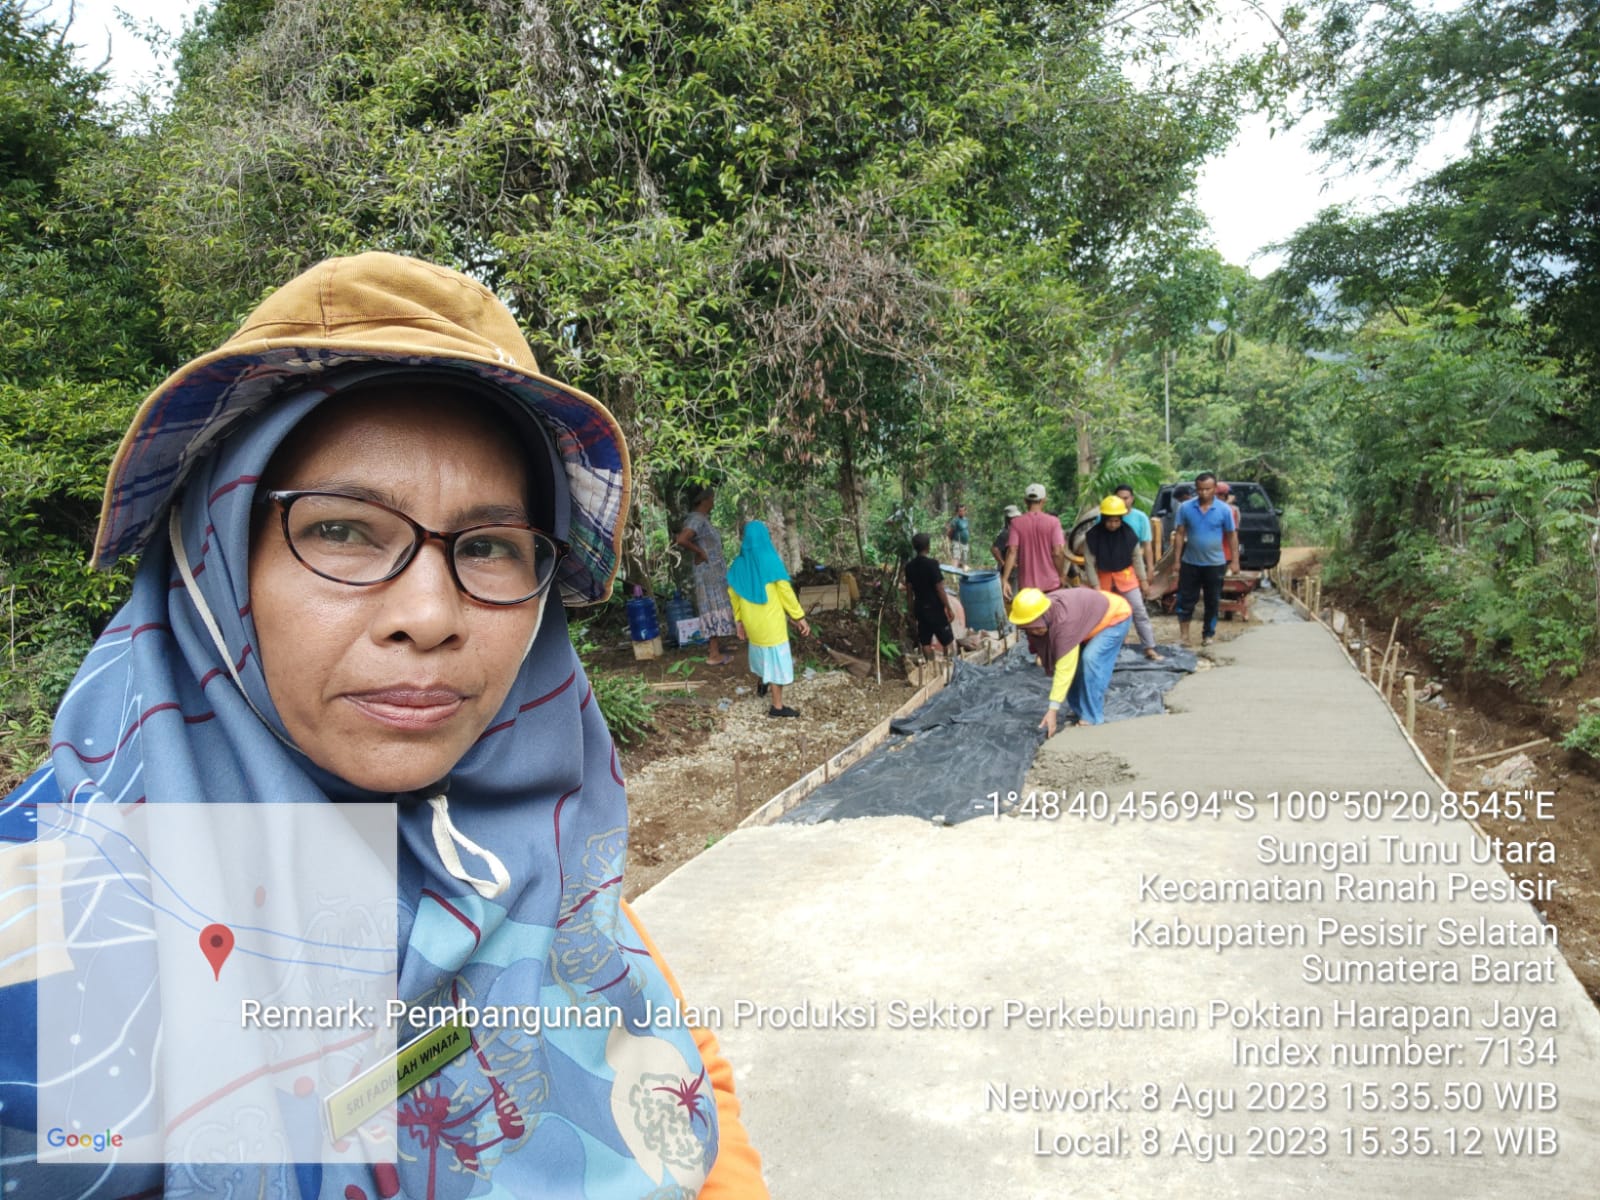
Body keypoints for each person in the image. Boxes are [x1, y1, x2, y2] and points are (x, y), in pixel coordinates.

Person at [0, 253, 766, 1198]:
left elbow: (679, 1068)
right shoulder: (59, 926)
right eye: (343, 529)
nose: (431, 615)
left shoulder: (528, 858)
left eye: (489, 546)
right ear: (215, 556)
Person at [1008, 586, 1132, 734]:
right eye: (1029, 628)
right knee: (1077, 666)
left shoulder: (1064, 623)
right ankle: (1079, 709)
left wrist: (1053, 709)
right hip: (1089, 617)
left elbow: (1065, 669)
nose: (1034, 631)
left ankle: (1092, 718)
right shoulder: (1043, 614)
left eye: (1036, 627)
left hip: (1115, 616)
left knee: (1090, 659)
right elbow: (1036, 638)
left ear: (1044, 615)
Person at [726, 520, 811, 718]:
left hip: (752, 623)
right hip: (771, 623)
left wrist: (739, 622)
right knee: (776, 660)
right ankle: (777, 707)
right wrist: (799, 616)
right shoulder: (770, 560)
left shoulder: (738, 565)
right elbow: (785, 592)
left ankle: (762, 682)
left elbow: (734, 596)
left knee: (760, 652)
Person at [1083, 496, 1161, 661]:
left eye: (1117, 521)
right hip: (1103, 580)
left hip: (1127, 578)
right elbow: (1089, 563)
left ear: (1121, 519)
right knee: (1104, 616)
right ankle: (1102, 651)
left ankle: (1149, 647)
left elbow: (1136, 558)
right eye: (1110, 521)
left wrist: (1143, 580)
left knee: (1139, 611)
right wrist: (1095, 586)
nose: (1113, 525)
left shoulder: (1129, 534)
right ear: (1103, 519)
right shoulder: (1092, 536)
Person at [1170, 470, 1238, 648]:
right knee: (1185, 599)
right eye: (1200, 489)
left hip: (1215, 564)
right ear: (1196, 489)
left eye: (1207, 489)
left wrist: (1235, 561)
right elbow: (1179, 534)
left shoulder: (1224, 510)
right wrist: (1176, 561)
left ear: (1215, 488)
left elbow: (1232, 535)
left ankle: (1208, 634)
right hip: (1190, 562)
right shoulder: (1185, 508)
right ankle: (1184, 636)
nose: (1204, 493)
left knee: (1212, 600)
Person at [674, 487, 737, 665]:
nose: (713, 502)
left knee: (717, 606)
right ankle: (714, 654)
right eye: (712, 498)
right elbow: (682, 539)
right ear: (704, 500)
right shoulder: (697, 519)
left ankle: (717, 646)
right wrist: (700, 552)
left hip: (714, 572)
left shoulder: (701, 519)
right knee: (711, 607)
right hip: (708, 573)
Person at [1001, 483, 1066, 603]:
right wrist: (1061, 575)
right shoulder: (1054, 522)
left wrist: (1005, 579)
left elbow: (1012, 551)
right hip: (1051, 585)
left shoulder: (1016, 523)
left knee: (1030, 615)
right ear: (1044, 500)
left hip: (1027, 588)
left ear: (1025, 501)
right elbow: (1058, 552)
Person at [904, 532, 955, 660]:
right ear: (928, 546)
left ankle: (930, 665)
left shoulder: (909, 567)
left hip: (920, 608)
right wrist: (948, 607)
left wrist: (911, 610)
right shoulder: (932, 564)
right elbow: (940, 588)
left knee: (925, 641)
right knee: (947, 640)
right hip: (934, 607)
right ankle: (949, 664)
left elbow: (909, 592)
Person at [1110, 483, 1155, 578]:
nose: (1122, 502)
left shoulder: (1141, 517)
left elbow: (1147, 545)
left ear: (1132, 499)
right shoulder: (1103, 517)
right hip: (1109, 565)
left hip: (1134, 565)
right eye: (1119, 498)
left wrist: (1150, 568)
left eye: (1125, 498)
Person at [991, 503, 1022, 569]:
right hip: (1010, 569)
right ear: (1008, 519)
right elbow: (994, 549)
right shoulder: (1006, 533)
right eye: (1014, 517)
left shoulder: (1016, 530)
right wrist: (1003, 563)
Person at [945, 503, 971, 569]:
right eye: (960, 511)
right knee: (956, 558)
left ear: (965, 511)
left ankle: (962, 573)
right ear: (957, 512)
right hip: (957, 542)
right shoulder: (955, 520)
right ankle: (954, 573)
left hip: (965, 544)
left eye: (963, 510)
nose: (962, 512)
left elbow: (967, 530)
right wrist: (951, 540)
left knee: (964, 561)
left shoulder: (966, 520)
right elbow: (950, 532)